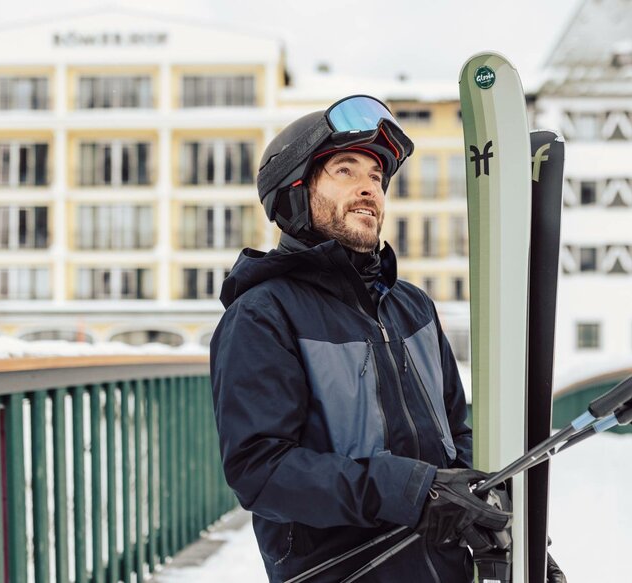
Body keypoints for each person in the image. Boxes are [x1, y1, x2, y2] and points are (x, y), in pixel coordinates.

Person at [210, 95, 553, 582]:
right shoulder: (262, 315)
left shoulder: (412, 307)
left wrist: (507, 529)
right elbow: (262, 472)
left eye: (376, 177)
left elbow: (457, 433)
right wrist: (413, 490)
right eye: (345, 171)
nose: (369, 188)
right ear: (294, 191)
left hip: (444, 568)